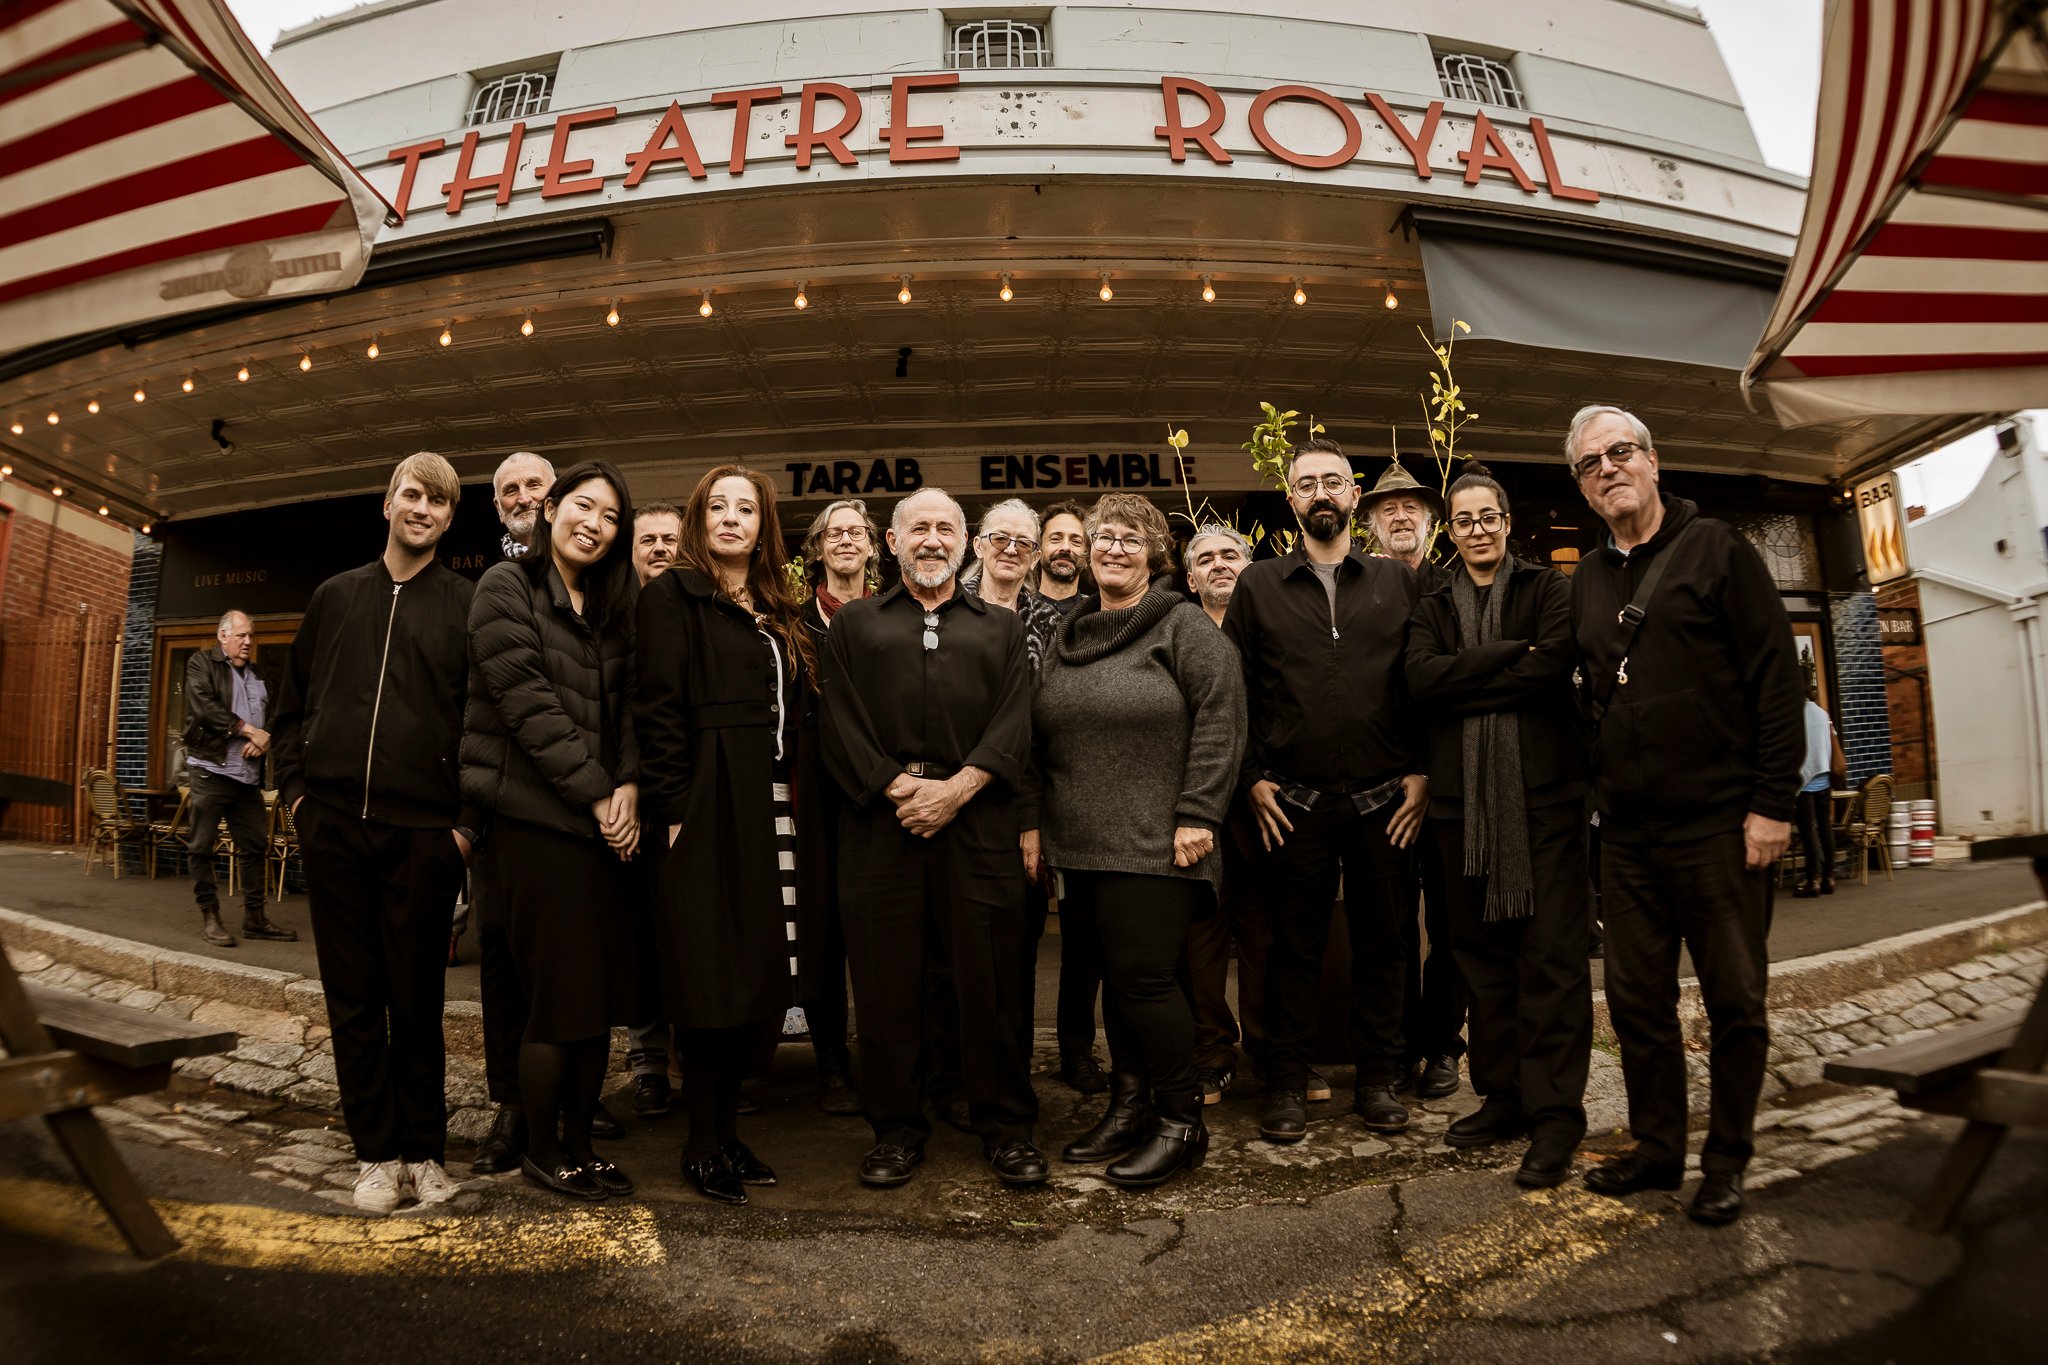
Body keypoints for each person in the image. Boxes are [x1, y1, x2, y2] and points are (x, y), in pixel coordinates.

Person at [1565, 404, 1804, 1227]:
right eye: (1590, 463)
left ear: (1654, 460)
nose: (1607, 469)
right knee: (1636, 1004)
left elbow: (1779, 680)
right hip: (1628, 835)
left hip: (1721, 825)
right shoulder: (1589, 578)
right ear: (1584, 487)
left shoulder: (1718, 551)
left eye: (1620, 452)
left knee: (1736, 1001)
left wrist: (1774, 803)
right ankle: (1660, 1150)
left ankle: (1728, 1160)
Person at [818, 486, 1047, 1189]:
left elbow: (1016, 721)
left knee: (989, 980)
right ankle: (895, 1129)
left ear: (964, 542)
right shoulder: (853, 625)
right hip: (879, 826)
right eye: (918, 527)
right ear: (892, 542)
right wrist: (895, 786)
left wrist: (956, 790)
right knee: (886, 987)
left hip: (976, 821)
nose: (932, 539)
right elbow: (839, 723)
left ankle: (1005, 1126)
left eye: (946, 528)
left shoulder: (1002, 627)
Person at [271, 452, 474, 1215]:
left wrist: (462, 830)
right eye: (412, 494)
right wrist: (296, 799)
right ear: (387, 504)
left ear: (450, 519)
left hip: (423, 836)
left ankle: (425, 1151)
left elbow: (481, 723)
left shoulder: (464, 603)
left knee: (417, 1000)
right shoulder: (334, 596)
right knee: (353, 998)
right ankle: (377, 1156)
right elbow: (293, 708)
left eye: (439, 501)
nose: (423, 508)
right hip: (333, 830)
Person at [1022, 495, 1244, 1187]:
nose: (1112, 549)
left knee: (1147, 982)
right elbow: (1042, 731)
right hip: (1082, 847)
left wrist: (1199, 813)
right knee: (1115, 987)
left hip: (1159, 843)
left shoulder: (1181, 626)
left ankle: (1183, 1123)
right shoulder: (1072, 630)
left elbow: (1221, 716)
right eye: (1102, 538)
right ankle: (1129, 1105)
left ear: (1154, 554)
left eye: (1128, 539)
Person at [1223, 436, 1428, 1143]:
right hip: (1293, 800)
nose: (1320, 494)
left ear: (1353, 495)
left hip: (1385, 798)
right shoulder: (1258, 585)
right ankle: (1285, 1080)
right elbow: (1238, 690)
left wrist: (1423, 771)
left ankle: (1377, 1078)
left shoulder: (1399, 582)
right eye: (1306, 483)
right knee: (1292, 946)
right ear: (1291, 499)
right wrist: (1249, 777)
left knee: (1386, 942)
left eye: (1333, 482)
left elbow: (1421, 682)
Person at [637, 467, 821, 1205]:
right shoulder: (671, 595)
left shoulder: (779, 603)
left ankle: (730, 1133)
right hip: (708, 799)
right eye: (719, 506)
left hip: (773, 798)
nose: (732, 518)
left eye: (747, 508)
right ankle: (702, 1141)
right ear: (699, 517)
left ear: (764, 522)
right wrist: (676, 809)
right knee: (709, 974)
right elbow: (656, 708)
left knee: (758, 974)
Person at [1406, 467, 1594, 1190]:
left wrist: (1470, 676)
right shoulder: (1433, 600)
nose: (1477, 529)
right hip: (1460, 807)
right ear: (1449, 531)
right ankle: (1504, 1098)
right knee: (1479, 960)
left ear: (1508, 523)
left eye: (1489, 517)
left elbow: (1553, 670)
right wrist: (1510, 658)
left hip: (1541, 799)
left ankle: (1555, 1116)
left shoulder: (1548, 588)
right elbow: (1421, 680)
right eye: (1464, 520)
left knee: (1548, 961)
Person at [463, 460, 644, 1202]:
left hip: (596, 826)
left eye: (609, 516)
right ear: (551, 509)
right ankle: (541, 1147)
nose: (593, 523)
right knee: (555, 998)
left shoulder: (608, 605)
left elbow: (631, 705)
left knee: (594, 999)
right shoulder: (505, 588)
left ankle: (579, 1142)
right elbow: (528, 705)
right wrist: (603, 797)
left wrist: (628, 783)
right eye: (582, 506)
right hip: (533, 823)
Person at [1362, 460, 1466, 1102]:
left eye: (1411, 508)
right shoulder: (1357, 588)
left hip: (1448, 780)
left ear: (1430, 520)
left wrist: (1426, 769)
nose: (1400, 516)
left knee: (1452, 925)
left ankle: (1443, 1045)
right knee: (1391, 927)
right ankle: (1396, 1047)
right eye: (1387, 508)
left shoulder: (1456, 587)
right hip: (1380, 789)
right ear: (1370, 522)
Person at [471, 450, 561, 1176]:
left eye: (534, 485)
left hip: (571, 810)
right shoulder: (493, 584)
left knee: (563, 965)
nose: (522, 496)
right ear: (497, 506)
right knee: (502, 964)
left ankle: (568, 1099)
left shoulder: (588, 579)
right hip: (502, 807)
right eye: (509, 489)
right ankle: (513, 1104)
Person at [1181, 524, 1270, 1104]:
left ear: (1249, 565)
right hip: (1194, 809)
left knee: (1269, 938)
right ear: (1190, 578)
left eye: (1229, 555)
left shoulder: (1276, 626)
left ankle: (1274, 1053)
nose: (1219, 565)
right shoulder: (1176, 632)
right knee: (1200, 940)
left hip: (1266, 805)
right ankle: (1212, 1050)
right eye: (1205, 559)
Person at [793, 498, 875, 1117]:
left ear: (874, 546)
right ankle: (829, 1065)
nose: (846, 541)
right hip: (816, 799)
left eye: (857, 532)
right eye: (834, 534)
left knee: (881, 934)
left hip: (880, 796)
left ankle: (884, 1059)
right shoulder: (791, 624)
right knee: (821, 934)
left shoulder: (893, 617)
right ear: (817, 549)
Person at [620, 501, 684, 1119]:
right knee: (638, 938)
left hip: (683, 800)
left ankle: (696, 1059)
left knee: (685, 936)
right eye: (649, 540)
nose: (660, 548)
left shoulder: (693, 614)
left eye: (670, 540)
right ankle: (647, 1064)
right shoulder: (615, 619)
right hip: (626, 801)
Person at [181, 610, 295, 948]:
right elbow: (204, 707)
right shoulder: (202, 664)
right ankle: (210, 917)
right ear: (223, 636)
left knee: (255, 845)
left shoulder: (259, 673)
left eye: (250, 636)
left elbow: (274, 712)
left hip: (246, 777)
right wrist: (249, 731)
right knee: (201, 846)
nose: (248, 642)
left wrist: (266, 737)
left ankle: (255, 919)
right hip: (210, 769)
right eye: (241, 636)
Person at [1793, 685, 1845, 898]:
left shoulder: (1796, 716)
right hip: (1824, 777)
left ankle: (1812, 878)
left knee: (1809, 830)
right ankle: (1829, 876)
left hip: (1805, 780)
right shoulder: (1823, 714)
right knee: (1825, 826)